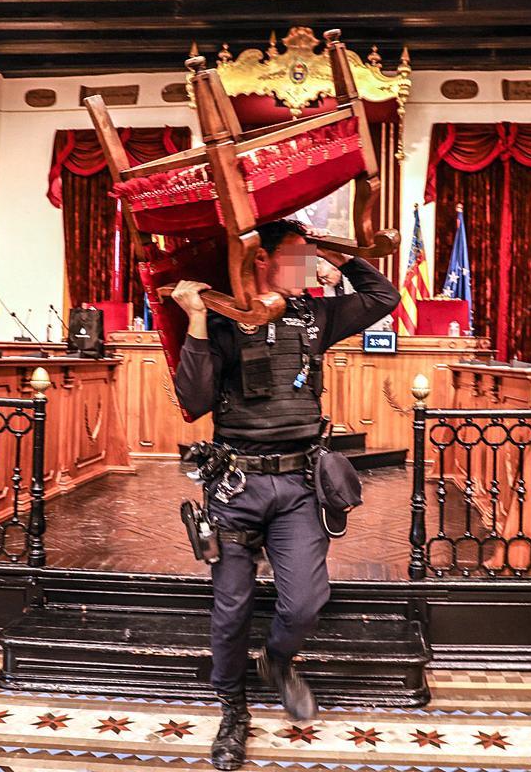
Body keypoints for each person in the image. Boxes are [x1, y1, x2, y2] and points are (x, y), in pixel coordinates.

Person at [170, 219, 400, 771]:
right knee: (231, 609)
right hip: (236, 486)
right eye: (297, 256)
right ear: (261, 260)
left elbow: (383, 297)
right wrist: (197, 320)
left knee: (303, 603)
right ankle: (233, 709)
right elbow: (194, 401)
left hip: (299, 486)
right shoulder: (224, 321)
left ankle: (276, 661)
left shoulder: (314, 316)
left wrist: (339, 256)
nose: (308, 268)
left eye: (310, 258)